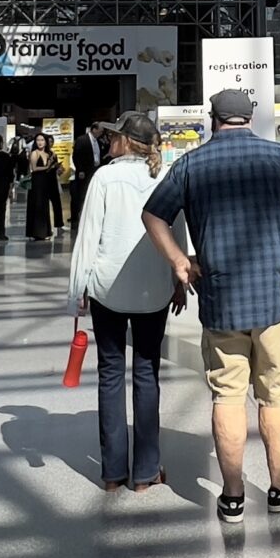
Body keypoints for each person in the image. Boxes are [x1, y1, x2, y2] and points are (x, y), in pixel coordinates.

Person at [140, 88, 280, 523]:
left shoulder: (191, 164)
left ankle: (232, 497)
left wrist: (179, 262)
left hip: (220, 301)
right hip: (273, 299)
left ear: (214, 119)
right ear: (250, 118)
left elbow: (153, 214)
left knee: (227, 396)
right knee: (274, 396)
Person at [69, 113, 187, 491]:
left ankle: (112, 472)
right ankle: (146, 471)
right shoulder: (164, 177)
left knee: (110, 373)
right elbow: (176, 231)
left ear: (123, 142)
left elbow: (88, 235)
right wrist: (178, 278)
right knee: (148, 372)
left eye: (114, 137)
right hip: (154, 289)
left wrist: (78, 288)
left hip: (108, 289)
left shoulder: (104, 177)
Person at [25, 134, 61, 240]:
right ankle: (34, 232)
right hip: (37, 183)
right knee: (36, 205)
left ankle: (45, 231)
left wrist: (55, 168)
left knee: (44, 207)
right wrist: (47, 167)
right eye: (38, 140)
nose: (40, 142)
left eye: (42, 140)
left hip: (46, 182)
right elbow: (34, 168)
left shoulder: (50, 153)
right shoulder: (34, 153)